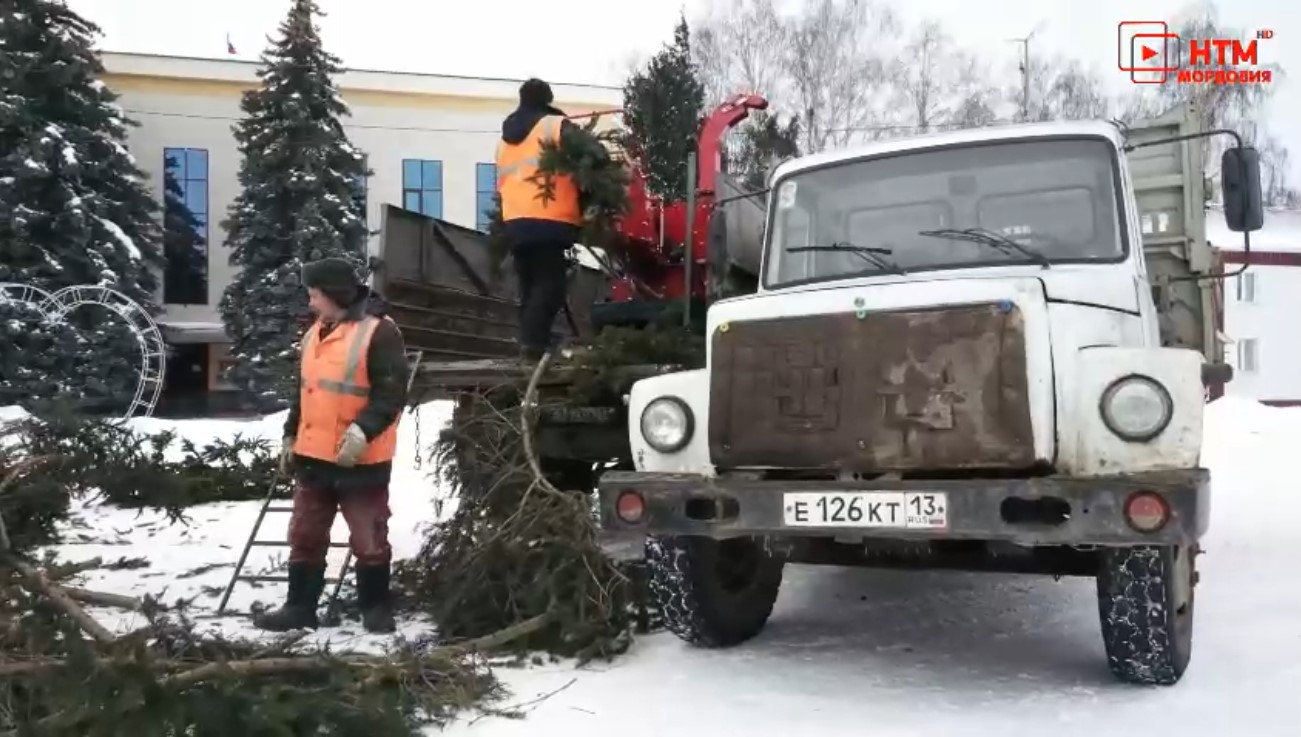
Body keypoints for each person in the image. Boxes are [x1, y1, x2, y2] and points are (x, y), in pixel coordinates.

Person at [254, 257, 410, 634]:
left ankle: (374, 609)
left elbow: (392, 394)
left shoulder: (380, 331)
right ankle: (299, 608)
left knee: (369, 538)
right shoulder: (314, 333)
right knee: (305, 535)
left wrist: (362, 432)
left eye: (314, 294)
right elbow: (304, 390)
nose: (310, 302)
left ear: (334, 294)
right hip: (314, 456)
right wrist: (291, 433)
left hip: (361, 458)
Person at [496, 77, 582, 361]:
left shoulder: (504, 142)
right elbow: (589, 152)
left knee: (530, 286)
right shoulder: (553, 126)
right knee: (550, 285)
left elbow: (502, 184)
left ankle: (533, 343)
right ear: (547, 100)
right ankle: (533, 346)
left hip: (516, 222)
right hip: (549, 216)